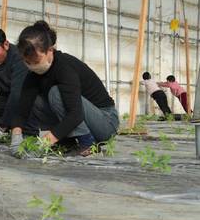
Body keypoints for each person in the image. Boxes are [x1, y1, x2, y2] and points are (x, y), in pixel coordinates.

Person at [10, 21, 119, 156]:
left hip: (105, 122)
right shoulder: (33, 74)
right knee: (36, 101)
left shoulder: (65, 67)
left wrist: (47, 141)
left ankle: (87, 142)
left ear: (50, 50)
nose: (32, 66)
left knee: (55, 93)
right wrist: (16, 135)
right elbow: (22, 109)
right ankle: (69, 141)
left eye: (36, 61)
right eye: (27, 62)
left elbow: (75, 114)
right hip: (82, 118)